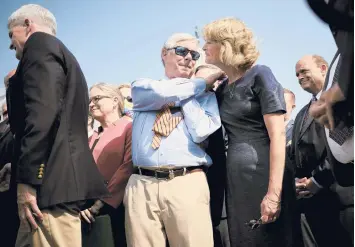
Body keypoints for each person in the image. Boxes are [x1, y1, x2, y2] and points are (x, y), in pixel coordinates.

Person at [5, 4, 108, 247]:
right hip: (52, 187)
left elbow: (42, 114)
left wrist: (28, 179)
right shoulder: (58, 52)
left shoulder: (38, 45)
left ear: (28, 24)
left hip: (48, 189)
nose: (11, 46)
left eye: (12, 35)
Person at [203, 17, 298, 247]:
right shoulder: (222, 88)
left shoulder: (260, 75)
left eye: (208, 42)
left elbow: (278, 135)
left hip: (264, 172)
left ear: (225, 45)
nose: (203, 47)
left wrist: (273, 195)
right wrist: (209, 79)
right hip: (235, 178)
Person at [127, 33, 223, 247]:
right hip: (142, 183)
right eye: (181, 51)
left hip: (186, 180)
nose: (188, 57)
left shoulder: (206, 97)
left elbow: (200, 131)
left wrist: (187, 94)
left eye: (194, 54)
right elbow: (161, 92)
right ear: (164, 54)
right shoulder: (144, 87)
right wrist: (198, 84)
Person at [291, 54, 352, 247]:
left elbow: (344, 146)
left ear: (324, 68)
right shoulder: (302, 113)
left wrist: (318, 180)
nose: (300, 77)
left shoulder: (343, 101)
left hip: (340, 198)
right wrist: (298, 182)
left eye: (304, 71)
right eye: (297, 74)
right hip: (310, 204)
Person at [80, 83, 133, 247]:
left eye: (97, 98)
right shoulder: (93, 136)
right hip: (87, 209)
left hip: (115, 207)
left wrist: (100, 204)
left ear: (115, 101)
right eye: (89, 100)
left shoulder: (130, 126)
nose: (91, 104)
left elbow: (128, 167)